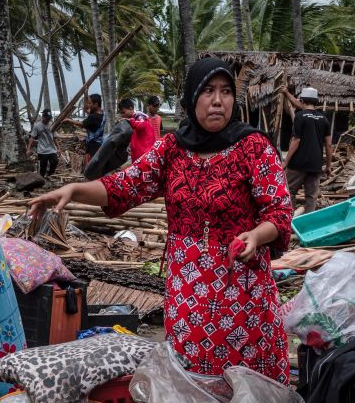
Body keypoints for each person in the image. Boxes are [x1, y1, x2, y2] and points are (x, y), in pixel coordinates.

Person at [31, 58, 294, 383]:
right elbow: (123, 186)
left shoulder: (253, 147)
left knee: (248, 392)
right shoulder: (172, 149)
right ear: (191, 97)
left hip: (242, 291)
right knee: (191, 391)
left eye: (226, 92)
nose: (217, 100)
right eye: (208, 91)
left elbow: (279, 213)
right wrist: (73, 190)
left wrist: (256, 235)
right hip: (187, 292)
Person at [282, 87, 333, 214]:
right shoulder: (324, 119)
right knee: (311, 198)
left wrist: (285, 162)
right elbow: (329, 145)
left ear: (303, 100)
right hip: (315, 165)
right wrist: (328, 166)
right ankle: (307, 227)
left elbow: (296, 141)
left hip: (298, 164)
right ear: (316, 101)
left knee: (289, 192)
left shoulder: (300, 116)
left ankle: (290, 221)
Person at [65, 93, 105, 167]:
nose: (88, 105)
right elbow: (86, 109)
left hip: (93, 145)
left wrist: (69, 120)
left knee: (90, 167)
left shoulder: (93, 117)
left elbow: (82, 124)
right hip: (100, 143)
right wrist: (86, 93)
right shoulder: (103, 114)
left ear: (96, 104)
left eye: (90, 103)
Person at [119, 98, 157, 162]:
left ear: (131, 109)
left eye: (123, 112)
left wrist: (130, 121)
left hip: (143, 154)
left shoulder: (140, 117)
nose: (123, 115)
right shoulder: (134, 118)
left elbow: (140, 125)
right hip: (138, 153)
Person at [26, 110, 58, 177]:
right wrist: (28, 149)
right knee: (43, 166)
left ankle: (49, 173)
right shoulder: (37, 126)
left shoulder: (52, 124)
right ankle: (42, 179)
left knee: (55, 161)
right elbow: (32, 137)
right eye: (47, 118)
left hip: (52, 148)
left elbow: (55, 137)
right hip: (42, 150)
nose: (48, 120)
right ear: (43, 117)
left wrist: (59, 148)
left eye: (49, 118)